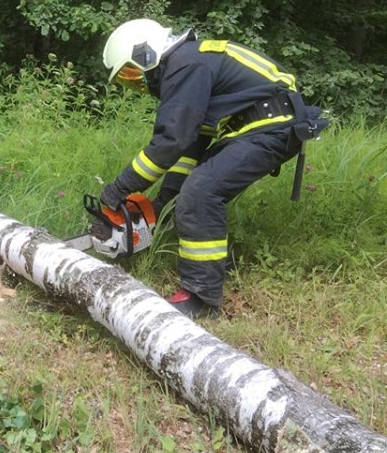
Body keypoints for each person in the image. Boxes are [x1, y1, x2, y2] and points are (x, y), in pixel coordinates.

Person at [99, 18, 327, 318]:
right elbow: (190, 145)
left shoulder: (185, 65)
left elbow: (171, 141)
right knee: (194, 190)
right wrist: (165, 201)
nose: (136, 83)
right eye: (125, 80)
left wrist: (119, 189)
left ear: (147, 55)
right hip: (255, 126)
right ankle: (216, 264)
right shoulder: (191, 62)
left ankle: (201, 296)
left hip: (270, 125)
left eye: (131, 74)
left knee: (202, 191)